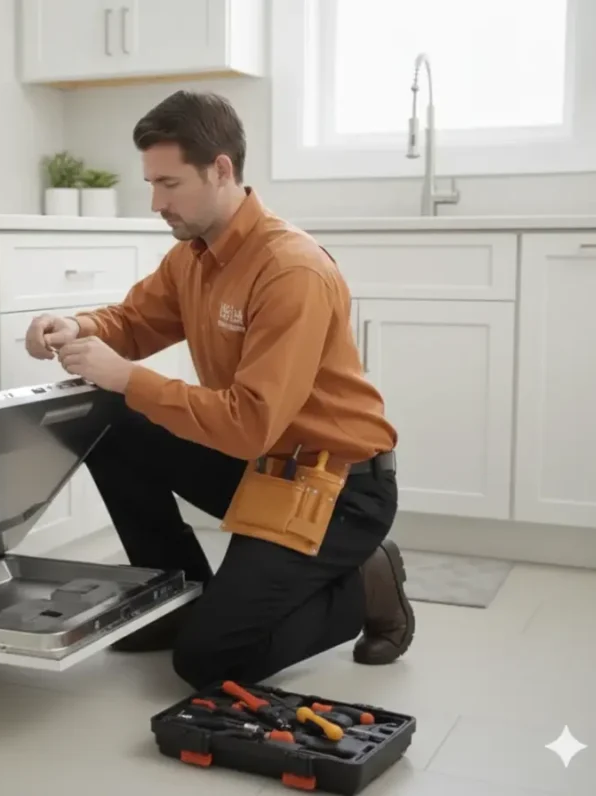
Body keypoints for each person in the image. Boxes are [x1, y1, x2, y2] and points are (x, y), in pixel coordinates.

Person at [23, 90, 414, 690]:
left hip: (335, 487)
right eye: (151, 183)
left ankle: (364, 583)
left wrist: (126, 375)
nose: (156, 203)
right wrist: (77, 326)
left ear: (221, 170)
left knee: (210, 662)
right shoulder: (195, 255)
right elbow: (134, 320)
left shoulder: (290, 270)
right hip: (261, 467)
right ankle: (178, 598)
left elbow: (249, 422)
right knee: (111, 421)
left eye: (169, 184)